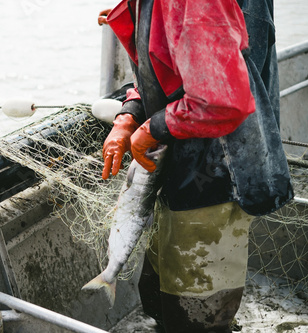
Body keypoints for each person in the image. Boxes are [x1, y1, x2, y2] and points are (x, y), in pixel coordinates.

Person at [99, 0, 293, 332]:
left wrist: (152, 128)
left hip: (217, 177)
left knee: (197, 320)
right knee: (160, 299)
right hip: (178, 169)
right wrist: (129, 114)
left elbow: (220, 99)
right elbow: (171, 71)